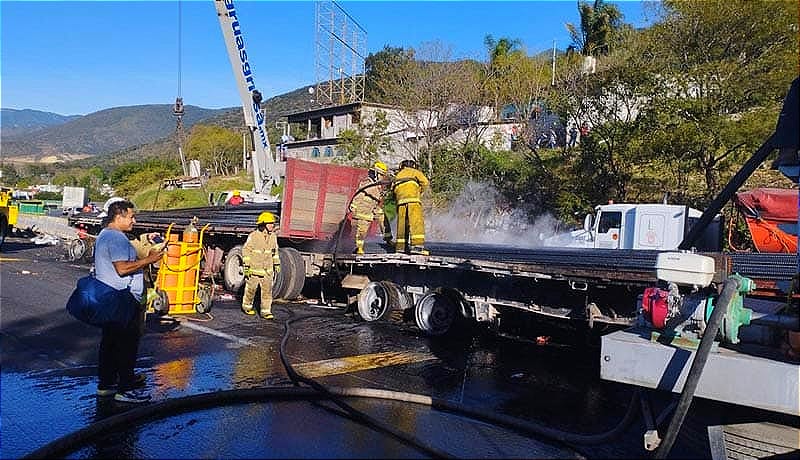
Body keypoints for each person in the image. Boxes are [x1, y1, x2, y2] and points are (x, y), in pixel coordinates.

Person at [93, 199, 163, 403]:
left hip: (110, 297)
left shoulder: (105, 235)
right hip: (122, 298)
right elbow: (122, 268)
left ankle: (106, 385)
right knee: (127, 345)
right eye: (131, 216)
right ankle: (125, 389)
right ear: (119, 216)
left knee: (110, 343)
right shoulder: (116, 238)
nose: (134, 220)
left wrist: (146, 256)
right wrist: (150, 260)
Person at [241, 211, 281, 319]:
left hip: (268, 271)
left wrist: (276, 263)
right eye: (270, 223)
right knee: (251, 290)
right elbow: (246, 250)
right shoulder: (253, 236)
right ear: (263, 225)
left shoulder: (273, 237)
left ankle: (265, 311)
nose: (273, 225)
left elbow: (275, 251)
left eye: (273, 223)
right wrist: (246, 266)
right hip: (254, 270)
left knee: (267, 292)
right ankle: (247, 306)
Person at [349, 161, 393, 255]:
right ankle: (359, 247)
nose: (382, 177)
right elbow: (359, 194)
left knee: (383, 218)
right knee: (362, 228)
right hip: (364, 208)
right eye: (381, 175)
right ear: (376, 174)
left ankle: (388, 239)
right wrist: (354, 205)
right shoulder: (367, 182)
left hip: (373, 206)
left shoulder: (377, 184)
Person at [392, 159, 429, 255]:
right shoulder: (415, 172)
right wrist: (419, 191)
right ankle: (417, 247)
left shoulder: (398, 175)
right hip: (413, 200)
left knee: (402, 225)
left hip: (400, 202)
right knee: (416, 223)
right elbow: (425, 182)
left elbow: (393, 190)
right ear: (413, 166)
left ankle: (400, 248)